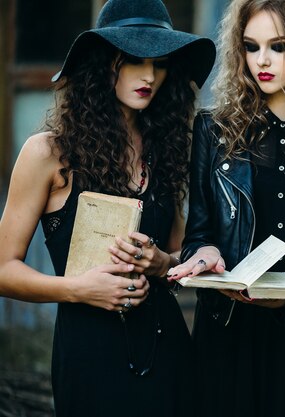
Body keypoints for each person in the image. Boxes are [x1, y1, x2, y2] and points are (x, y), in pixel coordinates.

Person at [0, 1, 215, 416]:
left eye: (160, 63)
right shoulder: (48, 152)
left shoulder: (167, 149)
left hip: (165, 348)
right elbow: (3, 269)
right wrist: (78, 289)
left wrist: (161, 263)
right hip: (89, 357)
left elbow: (180, 257)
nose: (149, 75)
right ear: (102, 63)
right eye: (134, 59)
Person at [166, 0, 285, 415]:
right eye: (251, 46)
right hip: (229, 331)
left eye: (278, 46)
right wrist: (204, 253)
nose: (261, 61)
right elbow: (199, 235)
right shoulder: (213, 130)